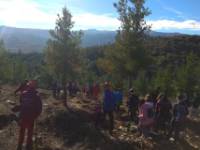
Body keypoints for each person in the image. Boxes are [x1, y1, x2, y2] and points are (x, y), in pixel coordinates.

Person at [17, 80, 42, 150]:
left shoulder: (23, 94)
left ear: (28, 86)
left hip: (23, 115)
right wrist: (36, 115)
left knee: (22, 131)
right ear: (35, 87)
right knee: (30, 131)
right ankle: (28, 146)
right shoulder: (36, 95)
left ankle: (19, 145)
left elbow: (21, 103)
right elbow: (39, 108)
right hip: (31, 117)